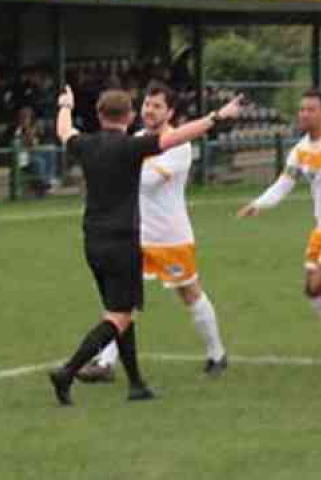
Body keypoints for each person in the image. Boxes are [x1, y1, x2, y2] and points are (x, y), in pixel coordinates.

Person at [48, 85, 242, 406]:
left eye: (157, 106)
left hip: (166, 236)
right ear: (131, 114)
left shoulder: (157, 146)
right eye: (146, 105)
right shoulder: (134, 144)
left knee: (182, 294)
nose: (150, 111)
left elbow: (65, 130)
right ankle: (94, 367)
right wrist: (216, 117)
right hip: (130, 237)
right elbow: (146, 158)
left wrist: (65, 104)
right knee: (120, 310)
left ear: (170, 113)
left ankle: (211, 355)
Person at [238, 90, 321, 360]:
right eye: (301, 110)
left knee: (317, 286)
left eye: (311, 109)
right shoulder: (299, 151)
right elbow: (284, 183)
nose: (304, 114)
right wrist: (260, 203)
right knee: (311, 291)